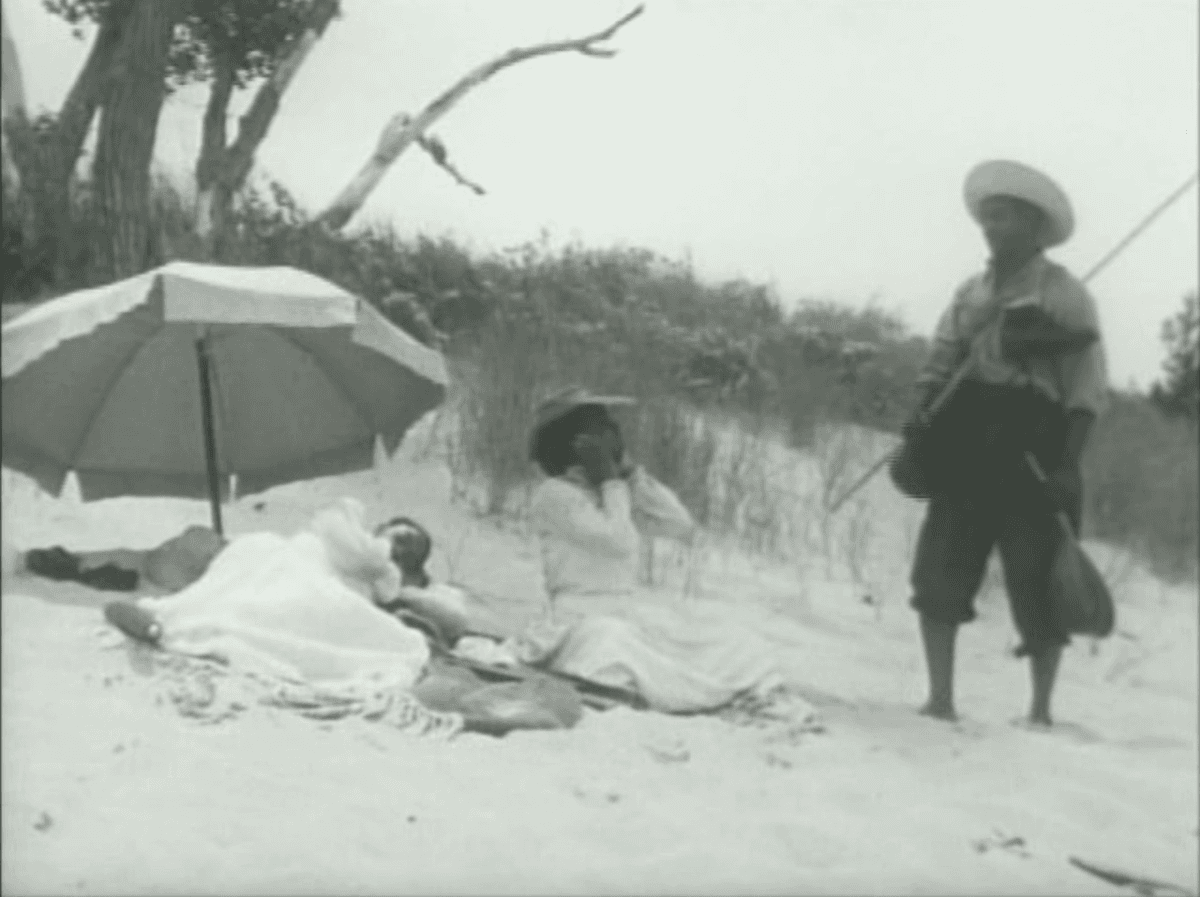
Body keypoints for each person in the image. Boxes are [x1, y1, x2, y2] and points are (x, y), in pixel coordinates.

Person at [900, 160, 1109, 727]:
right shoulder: (970, 293)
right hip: (966, 441)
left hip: (1033, 446)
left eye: (1008, 218)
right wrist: (918, 418)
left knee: (1040, 576)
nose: (994, 227)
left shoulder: (1067, 297)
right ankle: (939, 698)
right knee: (940, 566)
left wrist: (1066, 463)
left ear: (1035, 229)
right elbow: (940, 359)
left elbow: (1085, 390)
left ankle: (1039, 710)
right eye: (989, 217)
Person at [518, 386, 784, 714]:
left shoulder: (614, 490)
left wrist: (629, 474)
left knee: (740, 643)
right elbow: (618, 542)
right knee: (608, 644)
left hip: (630, 617)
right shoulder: (554, 494)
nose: (614, 439)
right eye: (602, 433)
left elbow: (679, 524)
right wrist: (611, 483)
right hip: (580, 622)